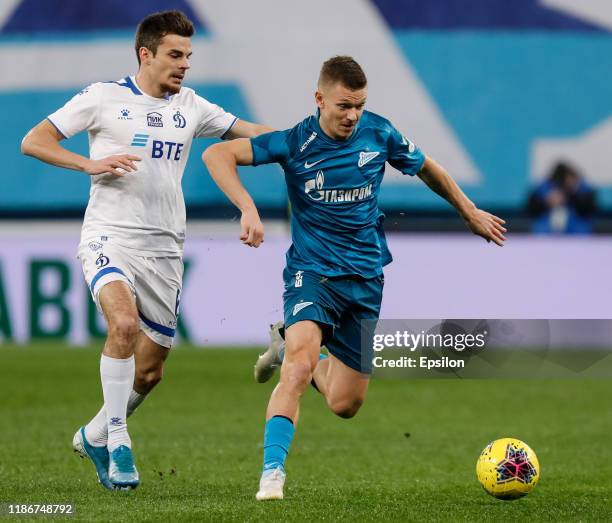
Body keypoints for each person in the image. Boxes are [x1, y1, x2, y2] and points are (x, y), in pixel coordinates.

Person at [202, 56, 506, 500]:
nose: (352, 116)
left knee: (345, 404)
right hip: (312, 274)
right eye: (344, 105)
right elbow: (217, 153)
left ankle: (288, 344)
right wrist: (248, 208)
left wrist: (469, 212)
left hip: (365, 281)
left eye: (359, 105)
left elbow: (429, 168)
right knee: (297, 369)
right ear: (319, 99)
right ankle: (272, 474)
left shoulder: (379, 132)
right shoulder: (293, 142)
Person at [20, 10, 272, 491]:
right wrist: (90, 163)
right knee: (123, 324)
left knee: (151, 371)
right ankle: (118, 440)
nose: (184, 65)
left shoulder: (192, 106)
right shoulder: (103, 97)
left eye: (188, 57)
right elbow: (34, 141)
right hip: (109, 236)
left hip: (165, 249)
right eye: (175, 55)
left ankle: (93, 433)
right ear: (146, 54)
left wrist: (312, 133)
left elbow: (252, 133)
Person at [527, 162, 597, 234]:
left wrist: (571, 195)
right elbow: (530, 210)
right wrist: (546, 201)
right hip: (545, 235)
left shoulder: (583, 188)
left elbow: (589, 210)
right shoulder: (542, 188)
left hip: (577, 235)